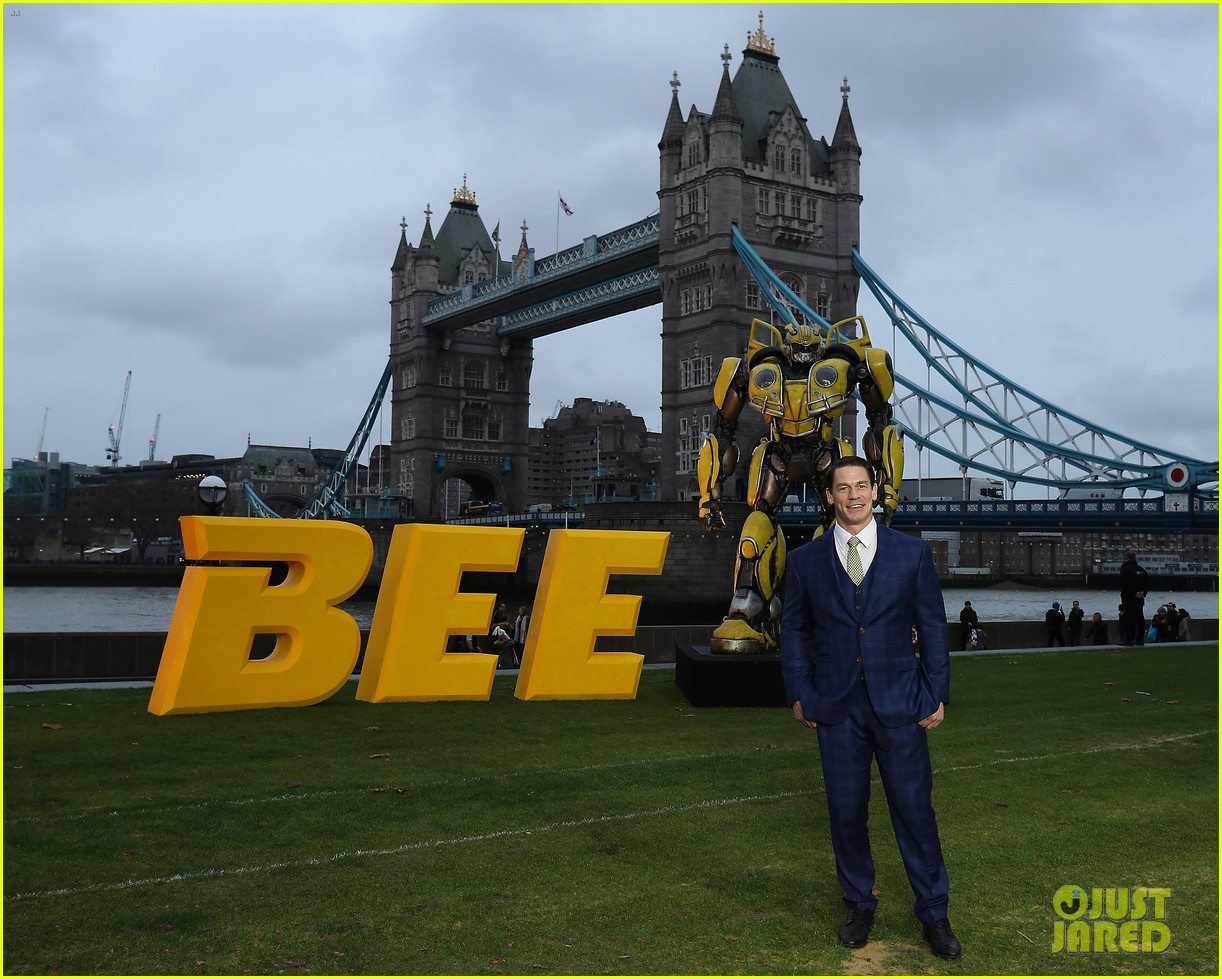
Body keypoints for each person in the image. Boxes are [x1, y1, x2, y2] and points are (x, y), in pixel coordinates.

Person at [780, 457, 961, 961]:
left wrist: (936, 693)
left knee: (914, 812)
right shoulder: (805, 561)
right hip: (836, 708)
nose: (854, 495)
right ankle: (859, 904)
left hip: (901, 704)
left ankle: (934, 911)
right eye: (844, 488)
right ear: (830, 497)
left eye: (862, 485)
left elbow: (933, 626)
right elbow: (794, 630)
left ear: (876, 490)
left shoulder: (912, 554)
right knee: (845, 815)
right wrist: (798, 691)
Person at [1118, 551, 1148, 646]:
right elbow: (1147, 583)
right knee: (1140, 618)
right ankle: (1140, 640)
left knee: (1129, 619)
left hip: (1128, 599)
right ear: (1135, 557)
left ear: (1127, 557)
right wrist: (1142, 593)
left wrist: (1134, 593)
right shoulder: (1141, 570)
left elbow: (1124, 584)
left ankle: (1129, 640)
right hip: (1140, 599)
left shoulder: (1125, 569)